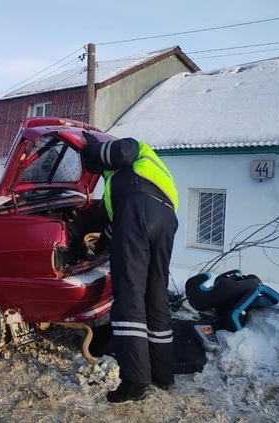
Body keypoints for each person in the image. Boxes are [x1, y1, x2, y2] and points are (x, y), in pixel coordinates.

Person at [83, 134, 179, 404]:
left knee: (129, 299)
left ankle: (135, 382)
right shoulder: (137, 178)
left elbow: (123, 150)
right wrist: (101, 243)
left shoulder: (132, 149)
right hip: (165, 220)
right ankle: (163, 375)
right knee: (155, 298)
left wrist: (90, 153)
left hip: (140, 216)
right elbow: (120, 222)